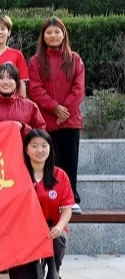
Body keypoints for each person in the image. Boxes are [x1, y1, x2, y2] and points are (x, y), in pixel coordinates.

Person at [28, 17, 85, 214]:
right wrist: (54, 107)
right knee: (50, 162)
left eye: (57, 32)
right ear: (43, 36)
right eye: (49, 32)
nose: (53, 36)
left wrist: (65, 110)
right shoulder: (36, 61)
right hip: (47, 121)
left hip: (70, 121)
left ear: (63, 34)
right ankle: (49, 197)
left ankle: (71, 199)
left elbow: (79, 89)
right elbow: (35, 89)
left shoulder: (74, 59)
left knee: (70, 161)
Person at [8, 129, 73, 279]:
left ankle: (53, 273)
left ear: (50, 148)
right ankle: (38, 271)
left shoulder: (60, 175)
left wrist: (59, 227)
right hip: (25, 234)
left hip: (51, 230)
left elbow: (67, 209)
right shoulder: (17, 175)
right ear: (26, 149)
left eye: (44, 146)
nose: (40, 150)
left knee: (56, 237)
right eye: (34, 146)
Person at [0, 62, 45, 138]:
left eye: (10, 78)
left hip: (21, 145)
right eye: (1, 78)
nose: (5, 82)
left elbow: (40, 135)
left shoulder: (30, 106)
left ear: (17, 82)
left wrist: (23, 128)